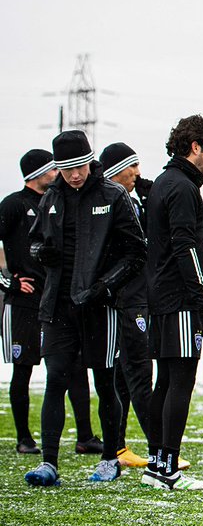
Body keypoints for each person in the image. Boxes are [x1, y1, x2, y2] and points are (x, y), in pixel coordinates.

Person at [23, 130, 146, 486]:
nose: (74, 174)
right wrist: (40, 254)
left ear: (90, 161)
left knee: (105, 382)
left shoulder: (114, 194)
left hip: (100, 307)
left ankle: (110, 457)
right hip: (59, 307)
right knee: (55, 379)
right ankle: (48, 463)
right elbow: (33, 242)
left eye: (79, 166)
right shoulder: (51, 198)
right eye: (66, 168)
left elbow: (136, 253)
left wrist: (104, 287)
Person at [0, 150, 99, 456]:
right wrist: (9, 282)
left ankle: (85, 435)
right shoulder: (14, 204)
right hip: (24, 303)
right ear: (37, 173)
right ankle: (24, 438)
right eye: (53, 170)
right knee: (24, 369)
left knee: (74, 366)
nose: (59, 174)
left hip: (58, 300)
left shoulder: (57, 200)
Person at [142, 114, 203, 491]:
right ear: (196, 148)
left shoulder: (163, 181)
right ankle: (167, 467)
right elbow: (186, 247)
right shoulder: (183, 187)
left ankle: (156, 462)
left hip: (159, 296)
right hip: (178, 300)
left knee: (165, 381)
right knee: (181, 380)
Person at [97, 142, 159, 470]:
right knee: (137, 373)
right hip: (122, 299)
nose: (137, 172)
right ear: (112, 172)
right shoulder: (104, 202)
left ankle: (119, 447)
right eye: (130, 167)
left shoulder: (137, 199)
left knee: (122, 375)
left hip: (139, 296)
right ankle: (161, 449)